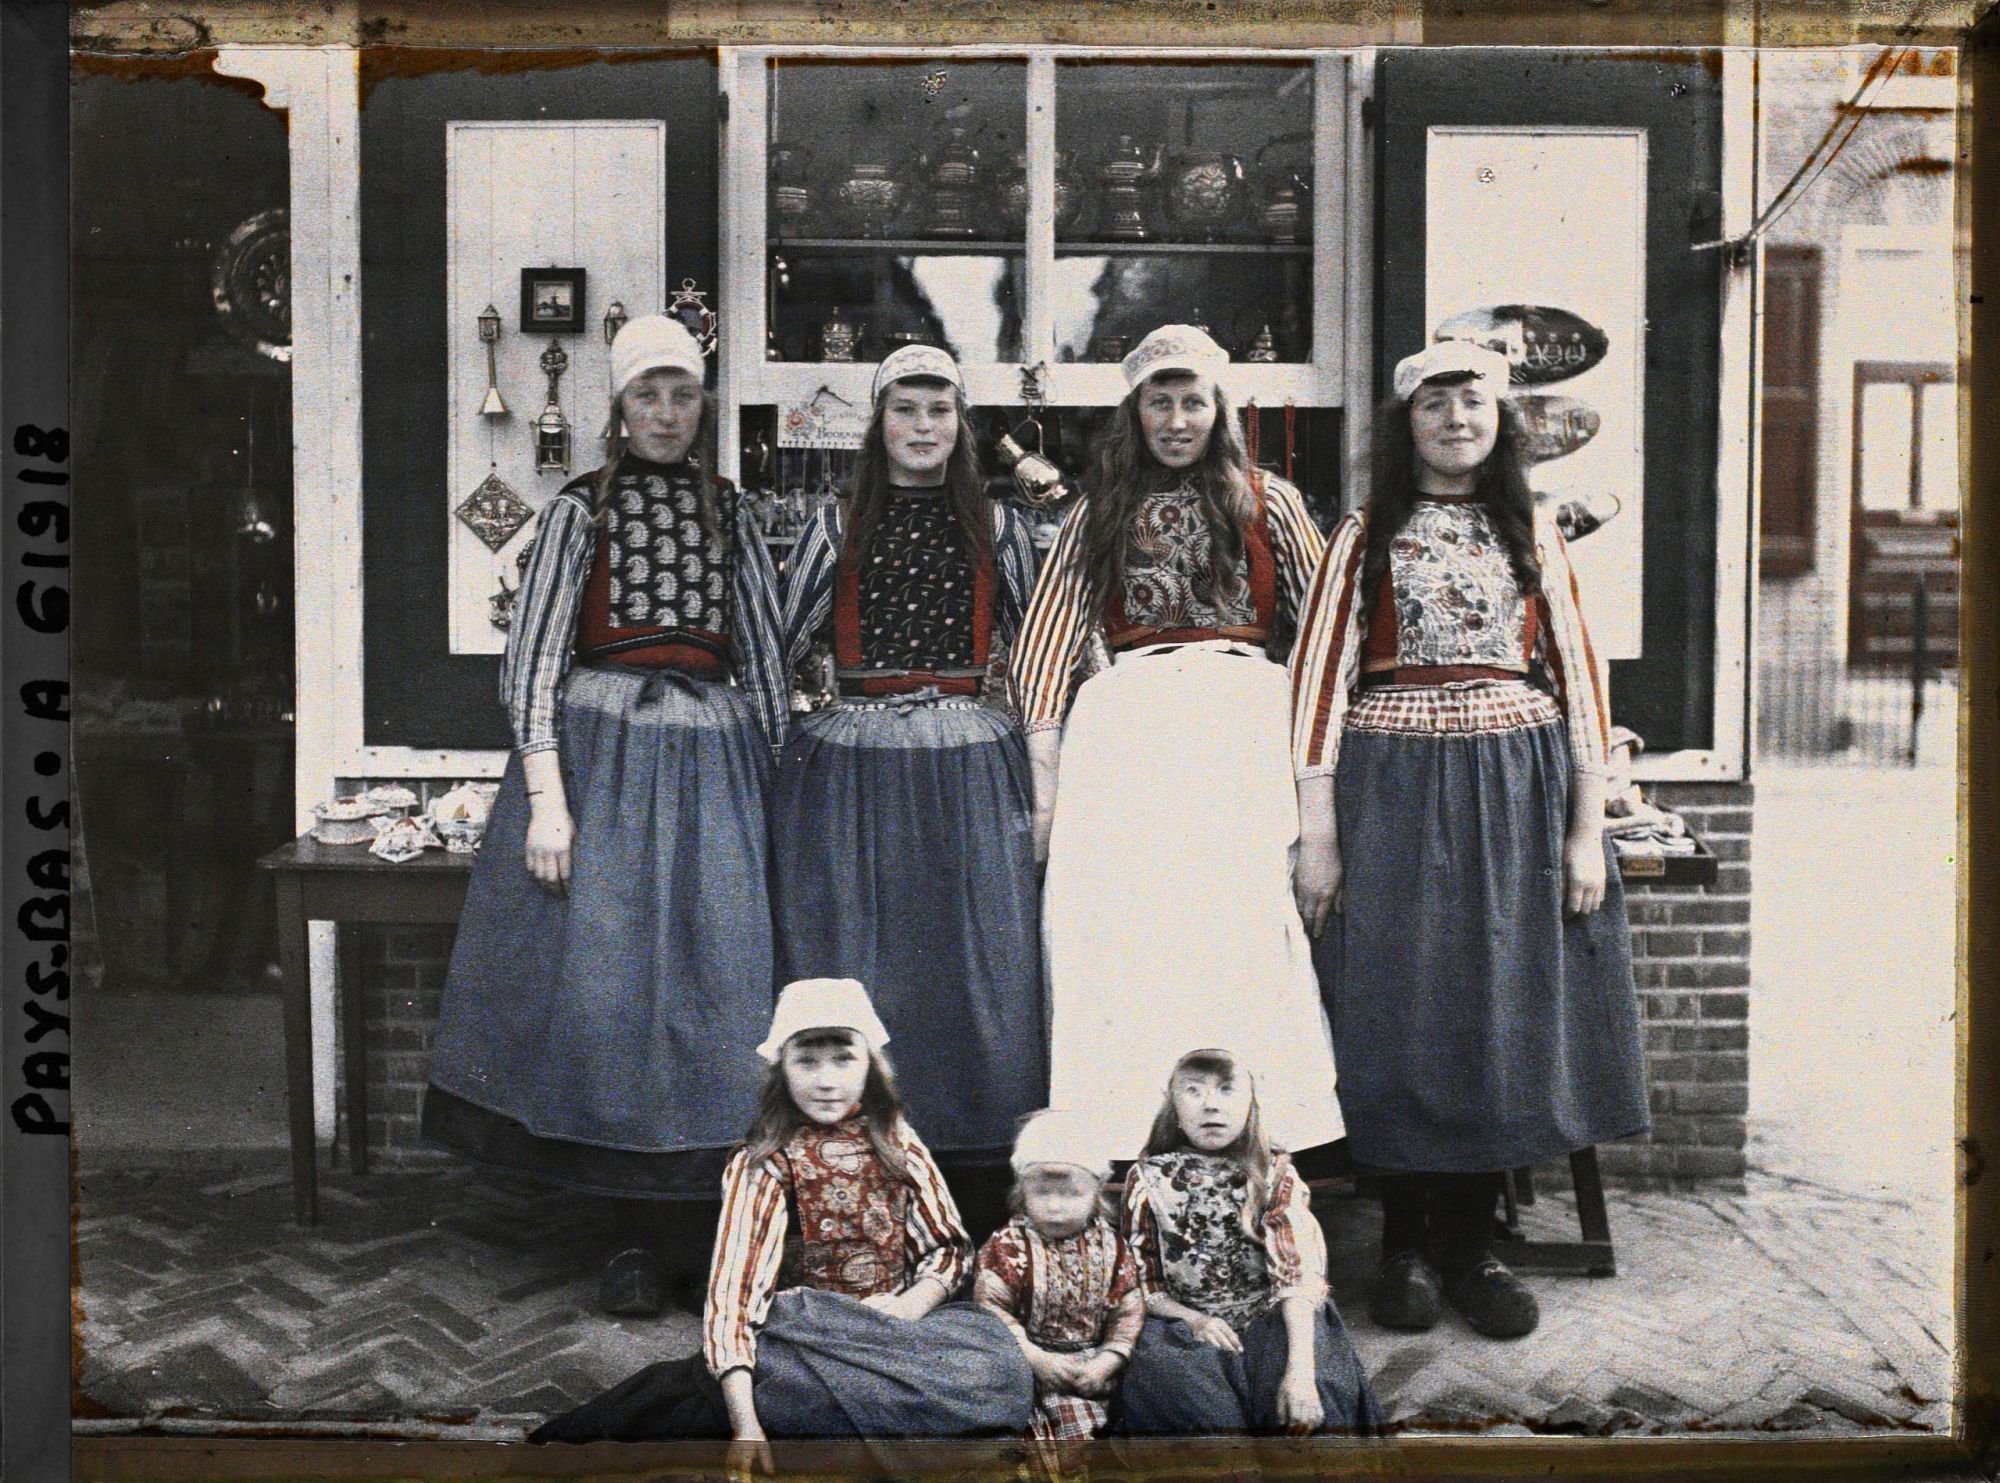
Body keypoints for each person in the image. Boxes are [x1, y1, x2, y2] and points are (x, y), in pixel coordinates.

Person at [422, 315, 791, 1318]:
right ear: (619, 408)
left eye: (682, 394)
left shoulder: (732, 511)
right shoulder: (578, 511)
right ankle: (626, 1235)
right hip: (603, 766)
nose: (665, 414)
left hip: (712, 766)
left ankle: (702, 1230)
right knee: (613, 988)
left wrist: (771, 789)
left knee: (719, 984)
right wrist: (549, 802)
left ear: (702, 404)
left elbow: (762, 659)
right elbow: (533, 660)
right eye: (646, 396)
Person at [1289, 337, 1650, 1340]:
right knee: (1400, 1005)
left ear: (1501, 422)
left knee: (1497, 1001)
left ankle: (1471, 1246)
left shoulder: (1530, 529)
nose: (1456, 420)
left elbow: (1579, 677)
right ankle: (1402, 1243)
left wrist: (1585, 829)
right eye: (1435, 405)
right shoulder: (1361, 535)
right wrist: (1318, 832)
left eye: (1474, 404)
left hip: (1514, 795)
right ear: (1406, 423)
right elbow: (1317, 685)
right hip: (1392, 792)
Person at [1009, 324, 1344, 1157]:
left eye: (1193, 401)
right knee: (1121, 930)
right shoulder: (1098, 509)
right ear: (1135, 412)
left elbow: (1323, 634)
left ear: (1219, 408)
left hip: (1243, 726)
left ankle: (1261, 1143)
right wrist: (1045, 780)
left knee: (1243, 926)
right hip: (1129, 732)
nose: (1177, 420)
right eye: (1160, 402)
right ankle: (1125, 1136)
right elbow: (1046, 642)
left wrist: (1318, 784)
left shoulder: (1271, 501)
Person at [771, 345, 1046, 1230]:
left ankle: (973, 1175)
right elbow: (779, 642)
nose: (923, 427)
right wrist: (787, 736)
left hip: (970, 754)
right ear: (879, 421)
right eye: (905, 409)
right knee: (864, 947)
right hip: (856, 757)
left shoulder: (999, 526)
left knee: (975, 957)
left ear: (961, 423)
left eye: (939, 410)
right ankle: (857, 1165)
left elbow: (1045, 650)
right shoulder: (836, 523)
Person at [531, 978, 1035, 1459]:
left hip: (896, 1331)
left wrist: (908, 1307)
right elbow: (734, 1296)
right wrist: (746, 1426)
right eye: (806, 1061)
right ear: (781, 1070)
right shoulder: (765, 1162)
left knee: (998, 1371)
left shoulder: (895, 1139)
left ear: (870, 1065)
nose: (826, 1081)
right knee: (777, 1398)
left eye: (843, 1059)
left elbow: (948, 1248)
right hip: (806, 1341)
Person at [1116, 1050, 1379, 1437]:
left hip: (1275, 1316)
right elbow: (1145, 1283)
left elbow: (1296, 1276)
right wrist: (1195, 1320)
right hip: (1183, 1325)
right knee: (1196, 1416)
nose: (1211, 1105)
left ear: (1249, 1104)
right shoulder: (1147, 1179)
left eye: (1226, 1090)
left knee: (1308, 1407)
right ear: (1173, 1107)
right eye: (1193, 1091)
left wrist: (1300, 1374)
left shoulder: (1274, 1174)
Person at [974, 1109, 1145, 1479]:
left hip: (1089, 1366)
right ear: (1022, 1192)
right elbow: (991, 1310)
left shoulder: (1114, 1250)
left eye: (1071, 1194)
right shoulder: (1007, 1247)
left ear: (1097, 1194)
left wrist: (1108, 1360)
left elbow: (1128, 1312)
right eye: (1042, 1193)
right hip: (1024, 1361)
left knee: (1092, 1440)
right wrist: (1035, 1358)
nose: (1055, 1206)